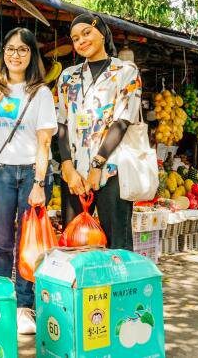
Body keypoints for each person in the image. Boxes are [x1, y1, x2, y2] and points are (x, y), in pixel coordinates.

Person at [0, 27, 56, 335]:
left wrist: (39, 182)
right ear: (3, 54)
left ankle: (24, 305)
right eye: (10, 49)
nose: (16, 55)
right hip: (0, 172)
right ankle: (0, 301)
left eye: (23, 49)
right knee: (2, 242)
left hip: (31, 172)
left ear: (32, 55)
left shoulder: (41, 93)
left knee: (27, 242)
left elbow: (44, 140)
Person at [56, 13, 142, 250]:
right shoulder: (68, 77)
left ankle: (118, 276)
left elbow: (122, 121)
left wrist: (97, 166)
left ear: (102, 33)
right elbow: (62, 123)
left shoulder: (125, 71)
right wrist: (67, 166)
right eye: (75, 38)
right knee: (74, 244)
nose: (81, 41)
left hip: (111, 171)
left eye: (86, 33)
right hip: (74, 175)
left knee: (117, 245)